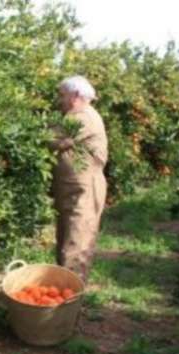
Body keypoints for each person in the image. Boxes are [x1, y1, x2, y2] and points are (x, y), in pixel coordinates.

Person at [50, 76, 108, 283]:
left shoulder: (83, 116)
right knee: (67, 238)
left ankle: (70, 293)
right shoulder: (74, 115)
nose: (59, 100)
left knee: (77, 240)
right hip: (71, 190)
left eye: (62, 95)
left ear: (75, 95)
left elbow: (53, 140)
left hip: (84, 190)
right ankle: (62, 291)